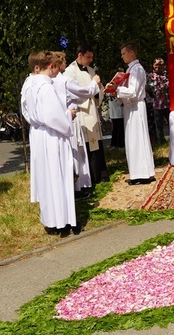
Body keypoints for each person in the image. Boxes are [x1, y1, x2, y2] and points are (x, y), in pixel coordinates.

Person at [21, 51, 85, 236]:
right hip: (52, 136)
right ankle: (62, 221)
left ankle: (51, 219)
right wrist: (68, 115)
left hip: (39, 134)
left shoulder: (28, 84)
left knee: (47, 178)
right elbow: (53, 116)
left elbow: (26, 111)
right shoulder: (45, 87)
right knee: (58, 176)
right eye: (54, 66)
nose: (56, 70)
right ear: (48, 66)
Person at [106, 43, 156, 185]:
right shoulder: (131, 69)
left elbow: (133, 91)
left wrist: (117, 89)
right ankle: (139, 172)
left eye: (124, 54)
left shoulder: (137, 69)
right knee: (132, 140)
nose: (122, 57)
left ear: (132, 53)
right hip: (130, 107)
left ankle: (142, 174)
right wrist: (116, 91)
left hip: (135, 106)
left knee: (137, 139)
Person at [64, 45, 109, 186]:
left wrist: (99, 89)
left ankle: (100, 174)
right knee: (86, 146)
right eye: (88, 57)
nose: (90, 60)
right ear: (79, 55)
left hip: (92, 110)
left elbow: (96, 93)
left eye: (92, 57)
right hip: (81, 112)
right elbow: (76, 93)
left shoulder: (91, 70)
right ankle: (89, 178)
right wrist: (92, 86)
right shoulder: (69, 72)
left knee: (96, 143)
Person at [147, 58, 170, 144]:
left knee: (171, 123)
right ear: (153, 65)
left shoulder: (167, 75)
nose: (158, 67)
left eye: (160, 65)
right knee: (158, 125)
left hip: (167, 103)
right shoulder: (150, 76)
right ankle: (161, 142)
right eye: (156, 65)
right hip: (156, 105)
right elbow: (147, 89)